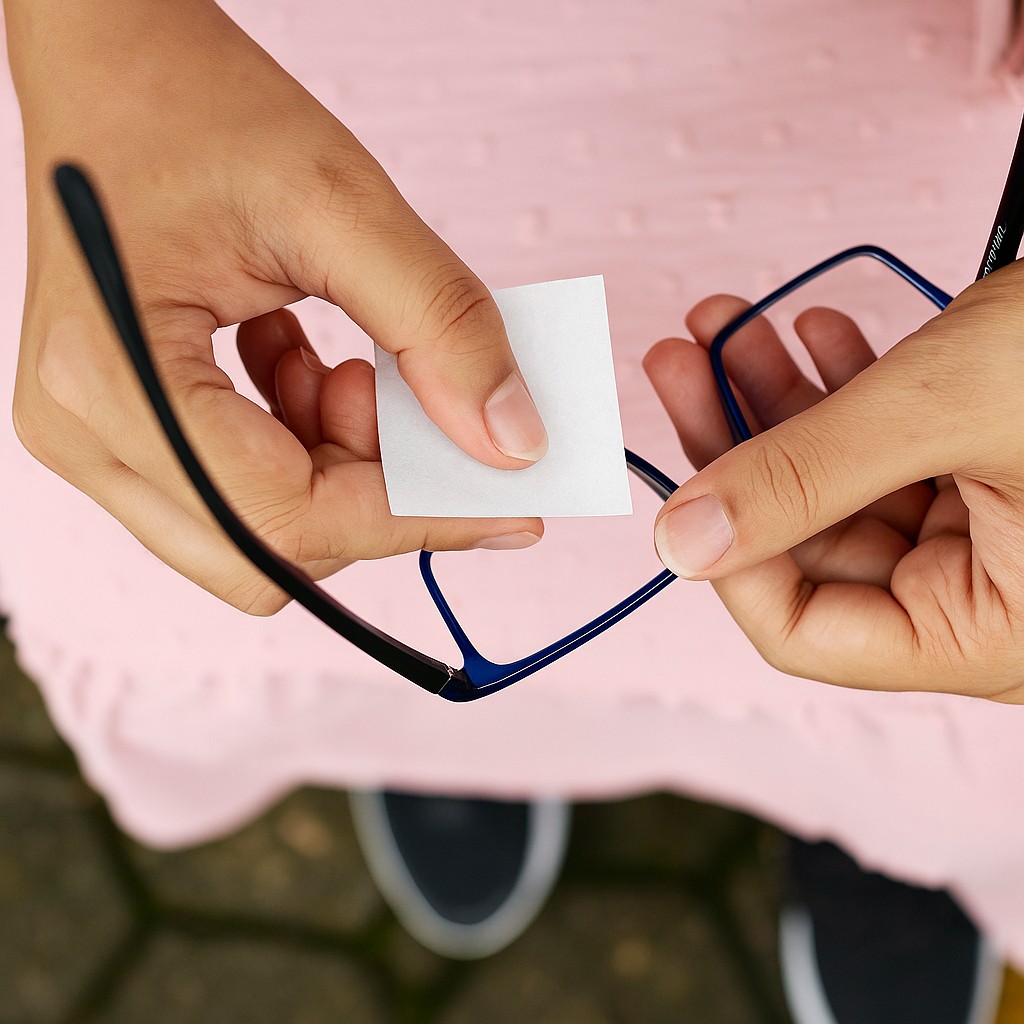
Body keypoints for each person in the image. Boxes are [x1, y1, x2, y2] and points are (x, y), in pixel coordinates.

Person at [3, 0, 1019, 1020]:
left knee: (939, 697)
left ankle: (882, 839)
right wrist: (97, 40)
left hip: (900, 132)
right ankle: (445, 751)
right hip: (201, 118)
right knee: (209, 548)